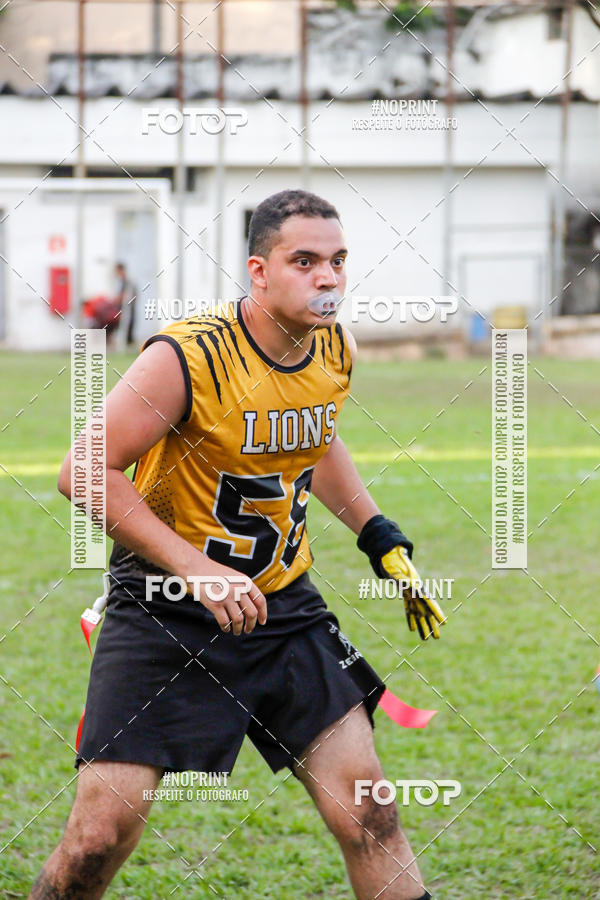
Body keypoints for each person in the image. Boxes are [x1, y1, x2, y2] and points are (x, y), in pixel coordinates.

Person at [31, 190, 445, 900]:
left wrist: (378, 535)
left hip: (283, 611)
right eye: (305, 261)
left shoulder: (334, 347)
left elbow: (316, 436)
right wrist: (199, 571)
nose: (328, 278)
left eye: (338, 262)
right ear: (258, 271)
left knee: (372, 813)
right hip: (166, 611)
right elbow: (84, 472)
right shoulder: (188, 356)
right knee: (98, 838)